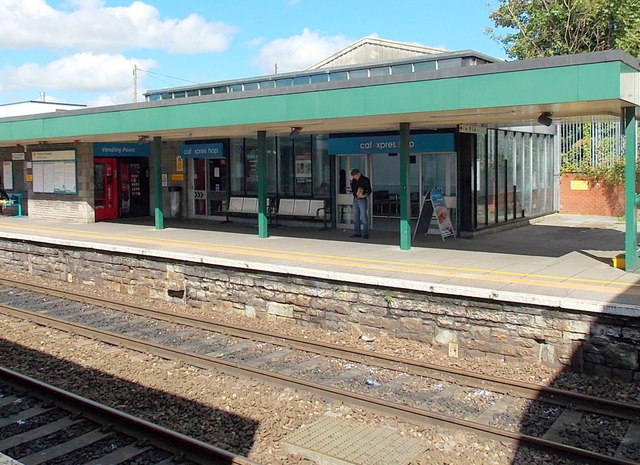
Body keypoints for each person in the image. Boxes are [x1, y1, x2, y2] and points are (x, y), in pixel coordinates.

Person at [349, 168, 372, 238]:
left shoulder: (365, 180)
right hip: (355, 198)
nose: (354, 178)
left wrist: (364, 195)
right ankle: (357, 232)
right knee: (356, 216)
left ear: (358, 174)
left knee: (364, 216)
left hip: (362, 199)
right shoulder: (354, 180)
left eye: (355, 176)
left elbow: (369, 190)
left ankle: (365, 233)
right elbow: (353, 189)